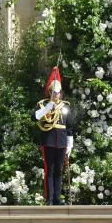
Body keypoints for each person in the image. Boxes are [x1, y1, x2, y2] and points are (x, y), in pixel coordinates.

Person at [35, 67, 74, 206]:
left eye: (58, 93)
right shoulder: (44, 105)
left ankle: (57, 198)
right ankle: (49, 198)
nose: (56, 95)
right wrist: (48, 106)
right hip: (49, 140)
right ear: (50, 92)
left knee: (59, 170)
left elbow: (69, 127)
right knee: (49, 170)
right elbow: (36, 117)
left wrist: (70, 145)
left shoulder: (65, 107)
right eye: (54, 92)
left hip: (62, 142)